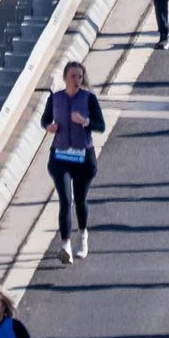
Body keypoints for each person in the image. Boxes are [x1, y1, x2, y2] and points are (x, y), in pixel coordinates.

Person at [40, 61, 106, 263]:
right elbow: (45, 120)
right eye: (73, 77)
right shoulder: (56, 98)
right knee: (65, 200)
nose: (76, 80)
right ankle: (65, 245)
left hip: (83, 157)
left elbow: (100, 125)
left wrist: (84, 122)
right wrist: (49, 127)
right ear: (65, 78)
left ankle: (83, 236)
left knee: (79, 199)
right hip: (60, 156)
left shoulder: (89, 99)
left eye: (79, 76)